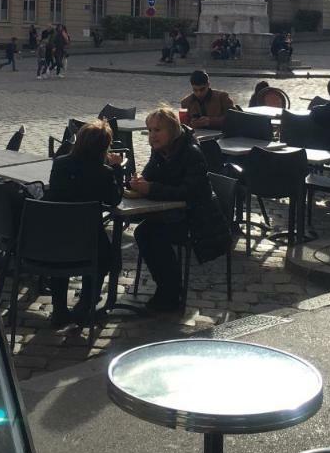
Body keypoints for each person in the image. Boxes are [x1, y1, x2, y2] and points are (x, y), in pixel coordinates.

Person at [130, 107, 227, 311]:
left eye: (157, 130)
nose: (152, 136)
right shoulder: (160, 150)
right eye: (149, 130)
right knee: (145, 232)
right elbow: (150, 174)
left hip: (199, 220)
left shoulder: (191, 152)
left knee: (151, 235)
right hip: (175, 213)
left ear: (172, 131)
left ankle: (170, 292)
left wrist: (152, 188)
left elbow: (189, 191)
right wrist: (141, 182)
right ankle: (169, 289)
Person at [45, 119, 124, 326]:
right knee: (106, 258)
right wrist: (116, 168)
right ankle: (86, 303)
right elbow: (114, 199)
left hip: (56, 238)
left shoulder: (60, 163)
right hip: (89, 242)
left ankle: (59, 308)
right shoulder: (103, 173)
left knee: (61, 257)